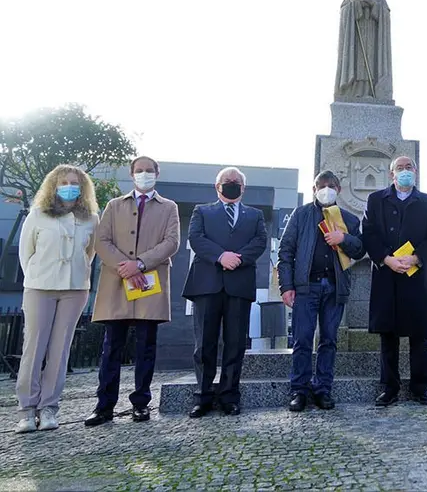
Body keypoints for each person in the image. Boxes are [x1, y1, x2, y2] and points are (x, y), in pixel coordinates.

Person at [85, 157, 180, 427]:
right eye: (139, 171)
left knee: (145, 347)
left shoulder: (169, 207)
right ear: (131, 174)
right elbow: (101, 241)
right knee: (111, 347)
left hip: (149, 283)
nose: (144, 174)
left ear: (157, 174)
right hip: (117, 283)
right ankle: (104, 406)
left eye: (149, 170)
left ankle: (141, 403)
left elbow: (172, 242)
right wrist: (125, 267)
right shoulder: (114, 205)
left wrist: (140, 264)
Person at [14, 165, 99, 433]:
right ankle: (27, 409)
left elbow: (90, 253)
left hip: (74, 289)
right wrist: (38, 276)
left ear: (82, 187)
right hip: (40, 287)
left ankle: (49, 407)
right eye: (64, 182)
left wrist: (76, 275)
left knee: (60, 350)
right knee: (34, 347)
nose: (69, 186)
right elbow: (25, 253)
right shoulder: (38, 215)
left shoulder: (91, 219)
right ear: (54, 185)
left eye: (75, 183)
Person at [277, 171, 365, 412]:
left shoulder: (348, 218)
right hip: (306, 288)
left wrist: (343, 238)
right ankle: (299, 389)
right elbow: (285, 252)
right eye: (321, 185)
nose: (326, 189)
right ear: (314, 189)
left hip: (335, 287)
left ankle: (323, 388)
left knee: (329, 340)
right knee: (302, 339)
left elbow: (359, 249)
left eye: (331, 185)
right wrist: (286, 286)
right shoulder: (301, 214)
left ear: (339, 189)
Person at [183, 167, 268, 417]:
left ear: (243, 187)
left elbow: (260, 242)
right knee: (204, 344)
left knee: (235, 344)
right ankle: (203, 395)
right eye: (226, 181)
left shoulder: (255, 215)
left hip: (239, 284)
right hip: (207, 283)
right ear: (216, 186)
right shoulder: (202, 211)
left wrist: (237, 259)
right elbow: (196, 238)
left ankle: (230, 395)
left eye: (236, 182)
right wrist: (221, 256)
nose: (231, 184)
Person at [363, 156, 427, 406]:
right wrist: (386, 259)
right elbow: (369, 233)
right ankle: (389, 388)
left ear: (416, 171)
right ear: (391, 174)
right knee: (388, 336)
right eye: (400, 168)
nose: (405, 171)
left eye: (409, 167)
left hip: (416, 275)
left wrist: (417, 258)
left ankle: (421, 387)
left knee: (419, 336)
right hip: (387, 274)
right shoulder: (376, 200)